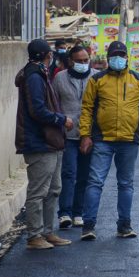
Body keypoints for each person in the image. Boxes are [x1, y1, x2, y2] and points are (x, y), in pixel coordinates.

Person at [78, 41, 139, 241]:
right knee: (95, 182)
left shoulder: (138, 80)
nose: (118, 58)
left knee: (125, 183)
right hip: (102, 140)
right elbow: (87, 109)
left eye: (121, 55)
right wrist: (85, 135)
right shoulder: (97, 80)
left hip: (129, 140)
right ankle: (88, 226)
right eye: (115, 55)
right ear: (108, 58)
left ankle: (124, 226)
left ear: (127, 58)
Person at [15, 39, 73, 250]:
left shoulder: (41, 74)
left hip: (51, 142)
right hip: (39, 142)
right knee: (39, 191)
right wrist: (60, 119)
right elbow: (37, 110)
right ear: (45, 55)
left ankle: (48, 232)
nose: (53, 56)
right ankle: (34, 235)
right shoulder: (34, 77)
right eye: (50, 53)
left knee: (54, 189)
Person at [53, 45, 97, 229]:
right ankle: (65, 213)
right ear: (71, 61)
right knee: (68, 173)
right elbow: (54, 103)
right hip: (68, 135)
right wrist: (61, 121)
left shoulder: (97, 77)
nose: (82, 64)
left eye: (85, 60)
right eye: (79, 61)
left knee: (85, 176)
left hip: (90, 134)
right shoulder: (60, 78)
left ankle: (79, 212)